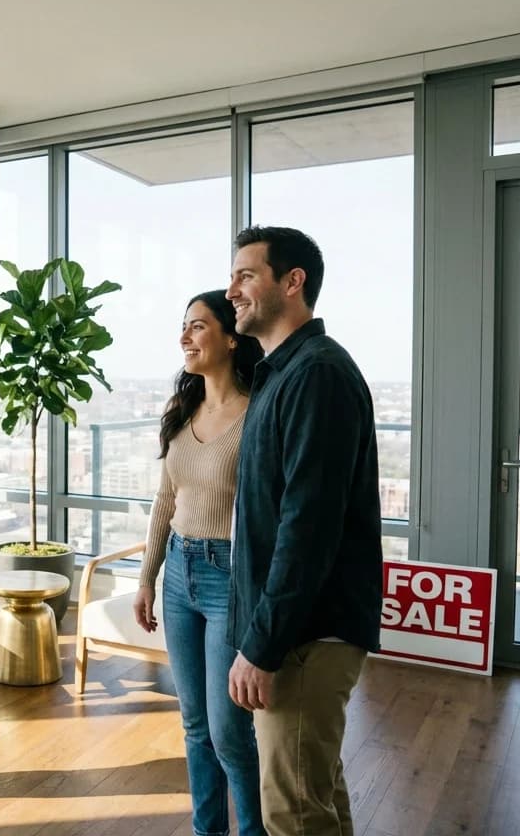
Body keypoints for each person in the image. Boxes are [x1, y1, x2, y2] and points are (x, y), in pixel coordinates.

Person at [224, 226, 383, 836]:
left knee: (292, 812)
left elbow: (307, 529)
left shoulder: (316, 375)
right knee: (314, 793)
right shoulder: (283, 373)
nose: (231, 289)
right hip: (296, 631)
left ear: (294, 283)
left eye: (246, 275)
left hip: (305, 638)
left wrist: (261, 645)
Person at [133, 290, 266, 836]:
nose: (185, 337)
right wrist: (147, 578)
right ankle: (206, 830)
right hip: (180, 578)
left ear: (232, 338)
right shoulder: (182, 410)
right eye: (183, 327)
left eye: (197, 327)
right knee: (193, 725)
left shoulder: (257, 413)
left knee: (228, 730)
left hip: (230, 576)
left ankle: (255, 831)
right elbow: (167, 501)